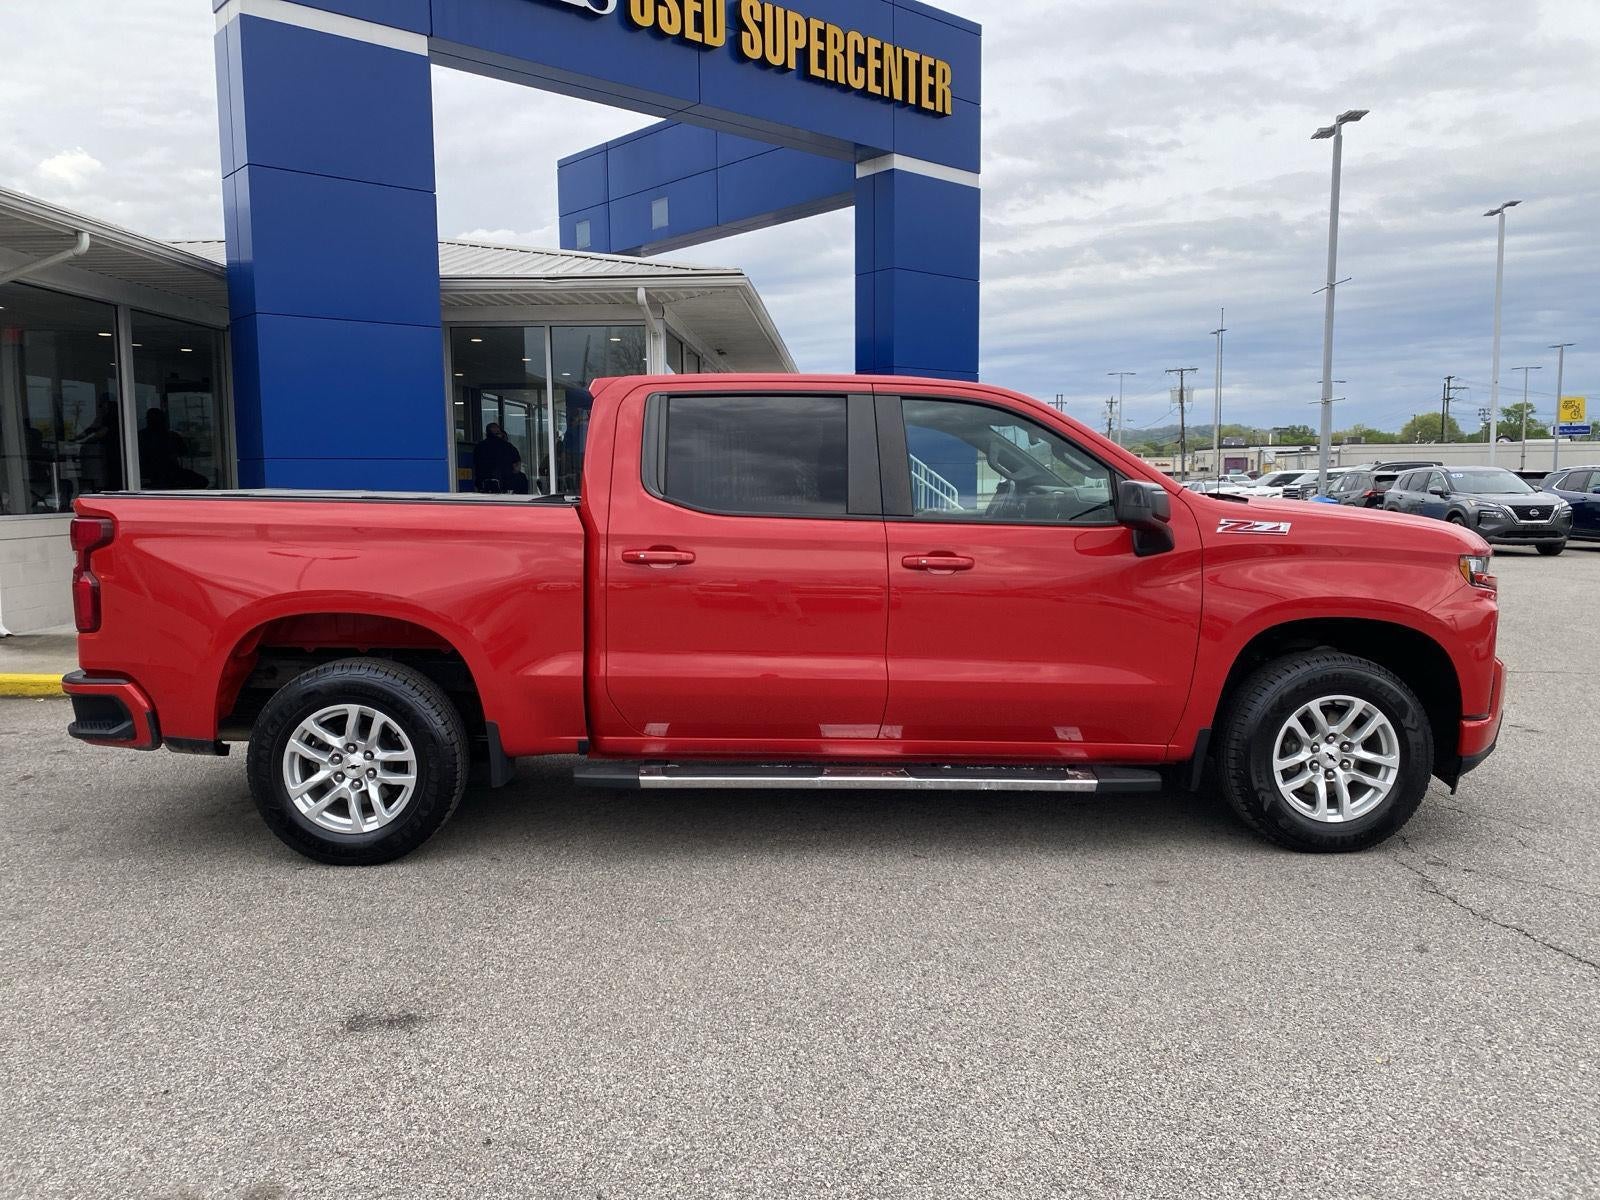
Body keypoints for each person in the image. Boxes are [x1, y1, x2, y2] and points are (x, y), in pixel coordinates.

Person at [139, 408, 207, 490]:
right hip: (164, 473)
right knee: (202, 481)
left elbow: (184, 452)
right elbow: (184, 452)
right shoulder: (171, 436)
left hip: (161, 473)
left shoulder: (141, 436)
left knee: (202, 481)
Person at [472, 422, 527, 494]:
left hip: (483, 485)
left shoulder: (479, 447)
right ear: (499, 433)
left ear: (487, 433)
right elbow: (516, 467)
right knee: (522, 478)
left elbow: (475, 466)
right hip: (505, 485)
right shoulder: (508, 447)